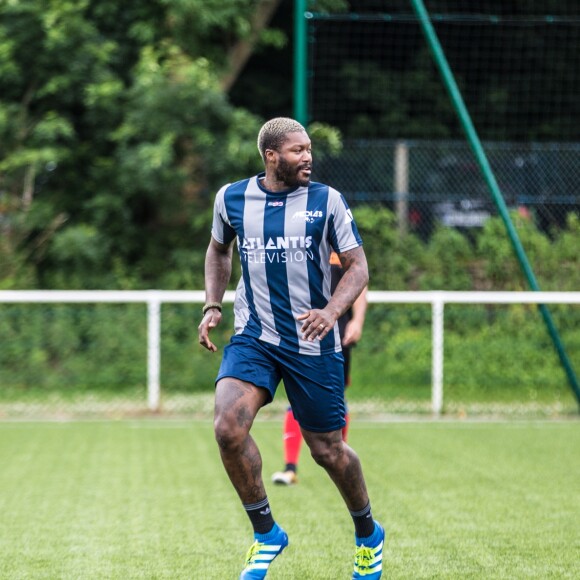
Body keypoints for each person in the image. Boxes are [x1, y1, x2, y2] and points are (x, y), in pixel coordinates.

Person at [198, 117, 384, 580]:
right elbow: (219, 250)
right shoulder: (232, 198)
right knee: (227, 427)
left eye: (309, 149)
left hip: (313, 342)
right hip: (254, 336)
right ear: (271, 156)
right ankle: (267, 534)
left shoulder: (328, 201)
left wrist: (332, 311)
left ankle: (368, 534)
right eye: (298, 150)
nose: (308, 157)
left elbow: (359, 269)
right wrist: (212, 304)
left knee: (328, 451)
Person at [271, 253, 367, 486]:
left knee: (337, 400)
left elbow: (359, 281)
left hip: (336, 330)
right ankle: (290, 468)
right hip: (302, 330)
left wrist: (358, 321)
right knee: (296, 397)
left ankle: (338, 462)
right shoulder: (295, 234)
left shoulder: (340, 237)